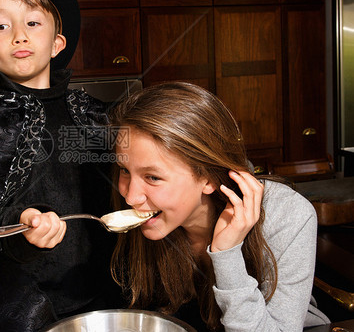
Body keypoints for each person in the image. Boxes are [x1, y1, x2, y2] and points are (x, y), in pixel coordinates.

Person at [0, 0, 121, 331]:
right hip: (30, 306)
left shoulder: (88, 112)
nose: (19, 36)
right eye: (1, 25)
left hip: (100, 290)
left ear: (57, 42)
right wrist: (18, 225)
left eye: (33, 22)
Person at [108, 82, 330, 331]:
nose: (130, 197)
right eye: (125, 170)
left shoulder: (287, 216)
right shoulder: (144, 217)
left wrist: (227, 255)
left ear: (209, 178)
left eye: (153, 177)